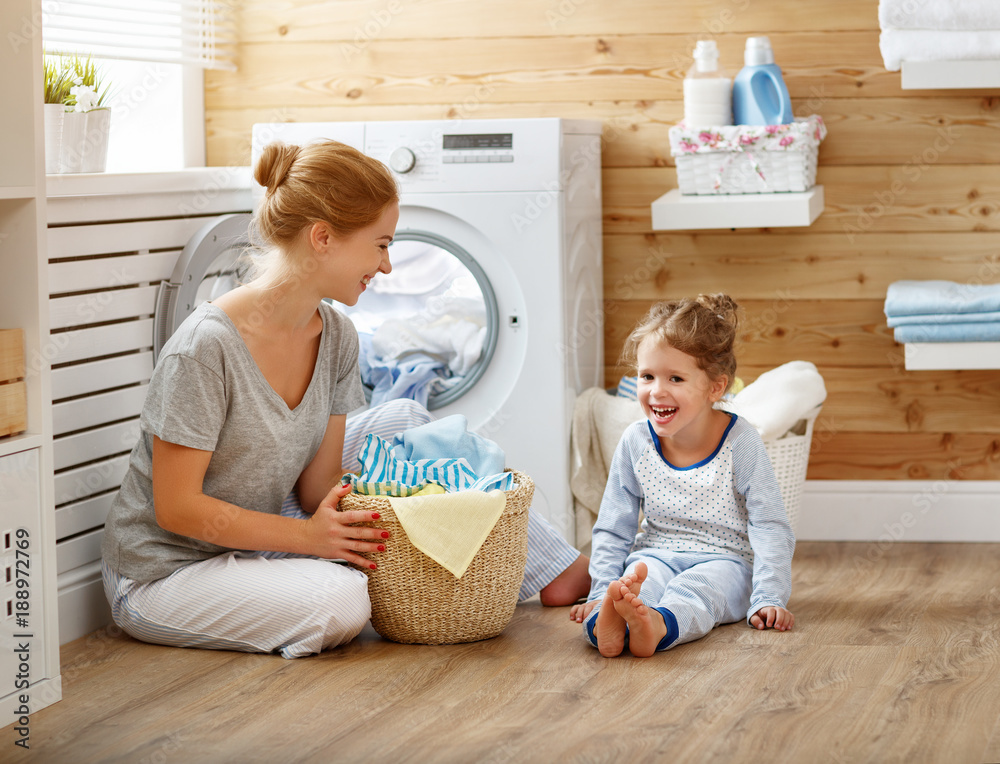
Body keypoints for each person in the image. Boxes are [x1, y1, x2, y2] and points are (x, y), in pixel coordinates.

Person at [100, 139, 589, 659]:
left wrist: (418, 502)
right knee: (341, 603)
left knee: (407, 419)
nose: (387, 266)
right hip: (169, 570)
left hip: (256, 520)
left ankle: (553, 568)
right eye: (380, 244)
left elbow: (317, 490)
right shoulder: (206, 349)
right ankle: (311, 572)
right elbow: (177, 508)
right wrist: (312, 540)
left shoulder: (335, 334)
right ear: (324, 238)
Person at [569, 295, 794, 657]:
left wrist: (768, 596)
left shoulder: (742, 442)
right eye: (647, 376)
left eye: (675, 378)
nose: (657, 391)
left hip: (726, 561)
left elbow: (770, 525)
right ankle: (604, 625)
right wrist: (599, 593)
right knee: (634, 585)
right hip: (656, 554)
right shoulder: (636, 440)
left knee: (697, 589)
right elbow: (614, 525)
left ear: (715, 388)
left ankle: (657, 626)